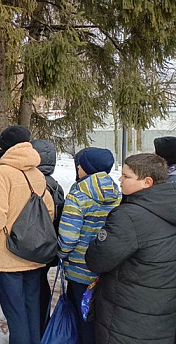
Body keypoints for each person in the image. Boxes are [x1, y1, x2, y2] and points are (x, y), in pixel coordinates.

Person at [0, 125, 55, 344]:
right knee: (32, 309)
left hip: (7, 256)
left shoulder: (1, 175)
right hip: (32, 254)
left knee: (15, 314)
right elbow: (48, 210)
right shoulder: (36, 173)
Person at [86, 153, 176, 344]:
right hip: (161, 313)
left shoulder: (129, 217)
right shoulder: (168, 205)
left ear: (147, 182)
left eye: (126, 176)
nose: (120, 180)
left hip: (126, 318)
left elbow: (97, 260)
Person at [57, 147, 121, 344]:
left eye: (81, 164)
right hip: (106, 268)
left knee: (81, 318)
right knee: (100, 319)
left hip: (80, 269)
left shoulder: (78, 195)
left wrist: (61, 253)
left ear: (87, 168)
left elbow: (68, 237)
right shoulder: (116, 192)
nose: (77, 167)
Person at [31, 139, 65, 335]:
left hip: (33, 248)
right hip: (49, 247)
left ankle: (35, 329)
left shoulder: (35, 185)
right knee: (41, 285)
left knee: (32, 289)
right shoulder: (56, 185)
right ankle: (42, 324)